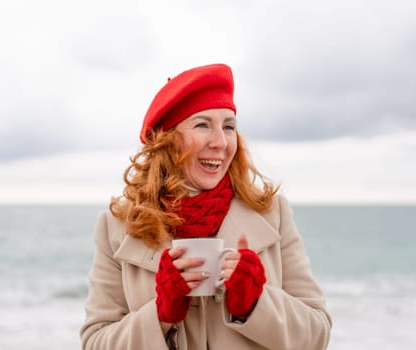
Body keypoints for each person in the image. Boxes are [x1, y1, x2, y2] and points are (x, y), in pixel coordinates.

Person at [80, 63, 332, 349]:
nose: (220, 142)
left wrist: (255, 304)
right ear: (167, 140)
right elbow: (95, 343)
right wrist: (160, 316)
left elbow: (318, 334)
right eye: (202, 125)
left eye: (229, 127)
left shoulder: (273, 213)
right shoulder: (117, 227)